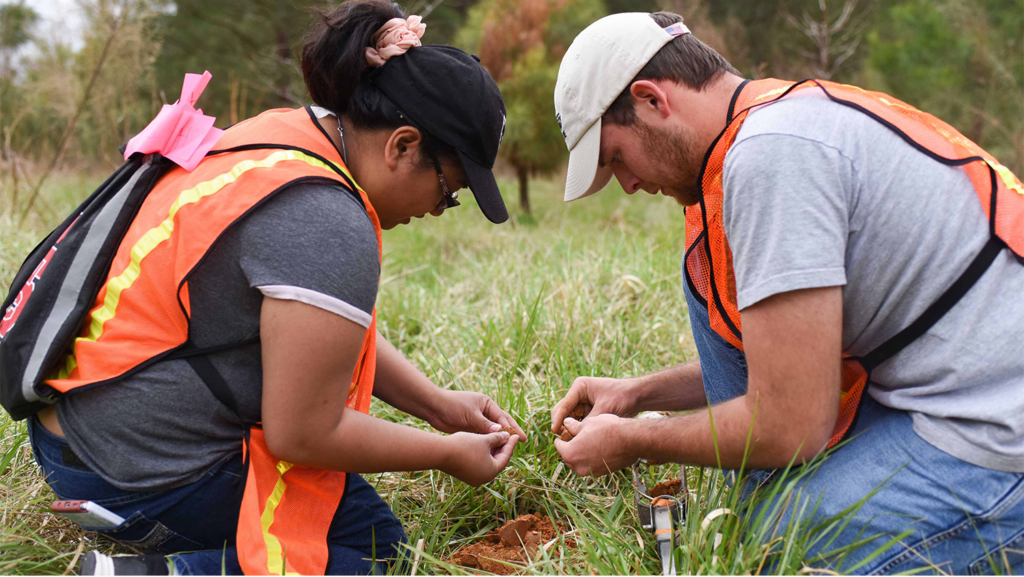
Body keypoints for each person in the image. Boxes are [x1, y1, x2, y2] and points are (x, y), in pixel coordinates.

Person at [17, 1, 526, 574]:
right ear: (403, 145)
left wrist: (438, 408)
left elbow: (318, 338)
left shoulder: (289, 136)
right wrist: (446, 455)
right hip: (135, 474)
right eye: (448, 190)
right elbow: (304, 433)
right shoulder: (327, 218)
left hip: (79, 431)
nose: (439, 210)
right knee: (372, 555)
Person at [548, 11, 1024, 574]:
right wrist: (637, 394)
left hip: (993, 433)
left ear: (652, 99)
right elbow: (794, 361)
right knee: (704, 253)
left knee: (765, 547)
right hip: (957, 391)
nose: (627, 183)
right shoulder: (780, 119)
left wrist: (632, 443)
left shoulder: (771, 157)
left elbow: (789, 421)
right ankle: (774, 493)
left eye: (617, 158)